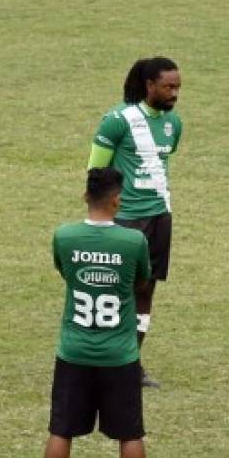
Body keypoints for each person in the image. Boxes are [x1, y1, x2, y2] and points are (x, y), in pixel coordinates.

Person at [20, 168, 166, 458]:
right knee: (130, 434)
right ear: (117, 199)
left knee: (61, 429)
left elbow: (66, 272)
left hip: (74, 351)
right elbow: (142, 281)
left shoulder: (65, 237)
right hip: (120, 354)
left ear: (86, 196)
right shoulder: (133, 242)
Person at [88, 57, 182, 388]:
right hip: (127, 218)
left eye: (178, 88)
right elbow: (96, 173)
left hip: (160, 216)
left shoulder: (173, 124)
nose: (174, 94)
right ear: (149, 86)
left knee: (146, 289)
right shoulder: (118, 121)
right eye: (169, 87)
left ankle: (133, 363)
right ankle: (104, 361)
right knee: (116, 290)